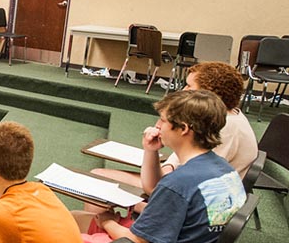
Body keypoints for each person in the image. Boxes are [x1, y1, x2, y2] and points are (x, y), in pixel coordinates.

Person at [83, 90, 246, 243]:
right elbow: (166, 200)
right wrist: (150, 150)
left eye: (163, 120)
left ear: (184, 129)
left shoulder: (179, 183)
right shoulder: (223, 170)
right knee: (77, 220)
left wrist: (106, 219)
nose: (157, 126)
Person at [93, 62, 257, 193]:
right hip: (178, 185)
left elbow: (184, 182)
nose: (183, 91)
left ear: (207, 94)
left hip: (185, 197)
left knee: (97, 178)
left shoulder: (225, 128)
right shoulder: (228, 116)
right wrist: (168, 166)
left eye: (189, 87)